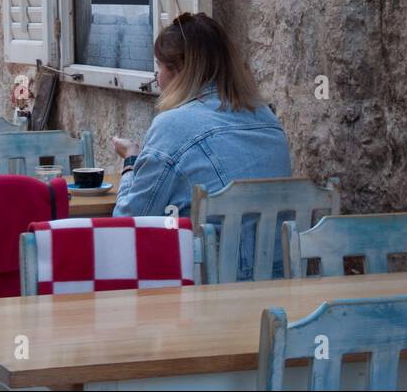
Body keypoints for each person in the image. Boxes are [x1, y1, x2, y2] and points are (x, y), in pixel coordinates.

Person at [111, 12, 292, 239]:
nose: (158, 78)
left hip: (205, 272)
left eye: (160, 66)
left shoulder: (172, 125)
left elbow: (125, 225)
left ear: (180, 70)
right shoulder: (266, 117)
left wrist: (130, 162)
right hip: (283, 272)